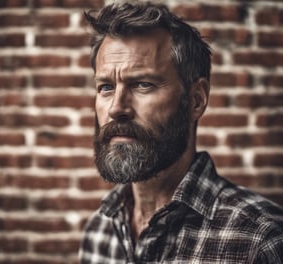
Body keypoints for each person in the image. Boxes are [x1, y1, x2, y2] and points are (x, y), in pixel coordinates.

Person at [79, 1, 283, 263]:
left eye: (143, 84)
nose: (116, 108)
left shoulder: (261, 240)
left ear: (196, 100)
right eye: (106, 87)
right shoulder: (99, 231)